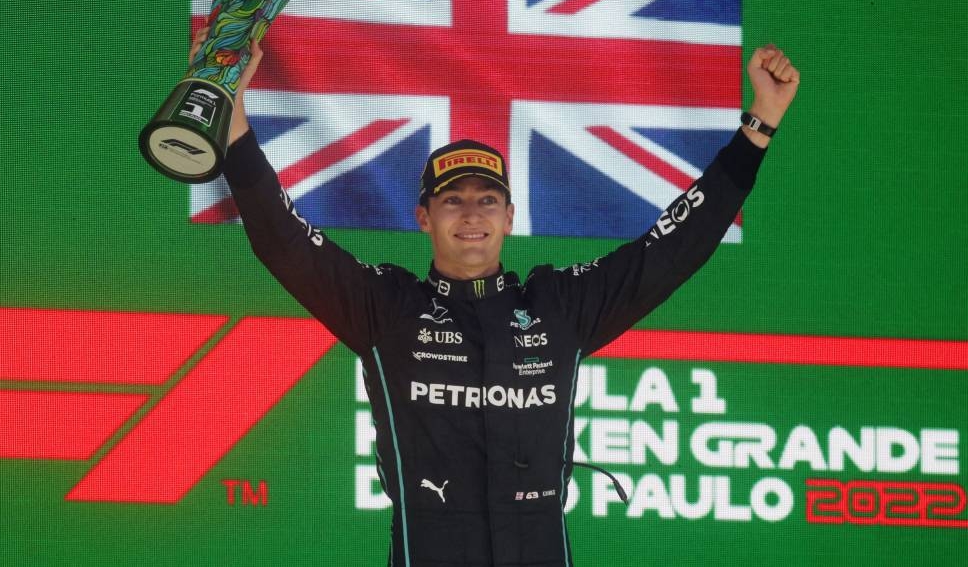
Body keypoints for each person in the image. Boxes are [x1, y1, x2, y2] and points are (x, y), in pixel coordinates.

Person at [193, 29, 799, 566]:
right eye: (453, 200)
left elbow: (675, 246)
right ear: (422, 218)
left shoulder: (561, 306)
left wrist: (759, 127)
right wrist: (235, 115)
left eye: (487, 200)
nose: (471, 214)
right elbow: (281, 240)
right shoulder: (385, 308)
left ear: (510, 217)